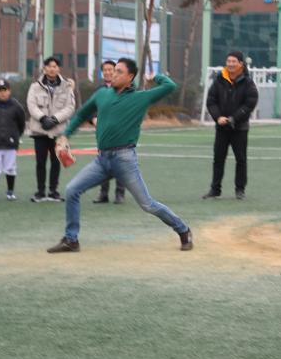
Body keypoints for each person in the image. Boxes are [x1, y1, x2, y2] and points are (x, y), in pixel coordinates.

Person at [47, 58, 193, 253]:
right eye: (113, 70)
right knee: (72, 190)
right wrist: (66, 135)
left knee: (147, 205)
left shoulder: (141, 97)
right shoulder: (102, 94)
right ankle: (71, 240)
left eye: (119, 72)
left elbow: (170, 86)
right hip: (102, 160)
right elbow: (81, 115)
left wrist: (154, 77)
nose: (113, 74)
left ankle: (183, 230)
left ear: (130, 77)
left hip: (125, 160)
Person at [204, 51, 259, 200]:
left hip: (239, 128)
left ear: (241, 64)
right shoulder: (219, 79)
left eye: (234, 61)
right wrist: (218, 117)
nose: (230, 64)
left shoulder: (248, 82)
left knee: (241, 160)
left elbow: (250, 104)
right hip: (221, 128)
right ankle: (215, 189)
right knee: (218, 159)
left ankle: (240, 190)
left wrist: (233, 118)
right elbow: (211, 101)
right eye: (228, 61)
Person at [26, 56, 75, 202]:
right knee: (40, 162)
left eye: (55, 66)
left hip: (58, 131)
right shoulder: (35, 86)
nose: (52, 69)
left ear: (58, 69)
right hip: (40, 131)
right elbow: (31, 105)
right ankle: (40, 191)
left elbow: (70, 107)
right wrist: (42, 118)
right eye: (49, 66)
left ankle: (53, 191)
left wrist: (55, 119)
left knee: (56, 162)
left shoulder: (67, 86)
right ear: (44, 68)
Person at [0, 78, 25, 200]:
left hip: (11, 144)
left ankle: (10, 192)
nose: (2, 93)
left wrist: (16, 136)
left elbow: (21, 123)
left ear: (9, 91)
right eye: (0, 90)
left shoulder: (16, 106)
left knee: (10, 168)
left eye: (4, 90)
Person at [92, 60, 126, 204]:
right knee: (103, 163)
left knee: (120, 163)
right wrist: (93, 118)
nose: (107, 72)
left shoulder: (124, 88)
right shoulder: (99, 90)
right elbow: (92, 107)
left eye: (110, 69)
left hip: (120, 133)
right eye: (105, 70)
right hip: (103, 134)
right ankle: (103, 194)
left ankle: (120, 193)